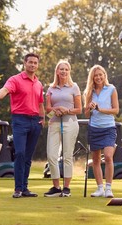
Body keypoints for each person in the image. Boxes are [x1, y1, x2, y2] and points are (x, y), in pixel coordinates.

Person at [0, 53, 45, 198]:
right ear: (25, 63)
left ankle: (25, 188)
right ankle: (18, 189)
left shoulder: (39, 83)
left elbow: (40, 103)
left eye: (35, 63)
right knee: (20, 153)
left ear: (37, 65)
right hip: (20, 120)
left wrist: (43, 118)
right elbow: (5, 90)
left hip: (35, 122)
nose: (33, 65)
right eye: (30, 62)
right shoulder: (15, 80)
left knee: (28, 157)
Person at [44, 60, 82, 197]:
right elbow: (47, 109)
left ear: (69, 71)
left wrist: (67, 110)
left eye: (66, 69)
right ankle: (56, 187)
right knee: (51, 156)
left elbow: (79, 109)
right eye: (61, 69)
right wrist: (56, 109)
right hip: (54, 123)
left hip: (70, 123)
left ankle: (66, 188)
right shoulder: (51, 88)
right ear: (57, 72)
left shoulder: (74, 87)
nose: (64, 71)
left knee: (67, 156)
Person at [83, 65, 119, 198]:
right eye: (96, 75)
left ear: (104, 75)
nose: (98, 77)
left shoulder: (111, 89)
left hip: (109, 128)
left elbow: (115, 110)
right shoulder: (88, 92)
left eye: (100, 74)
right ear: (92, 77)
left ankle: (108, 188)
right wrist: (90, 108)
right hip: (94, 128)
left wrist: (100, 109)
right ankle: (100, 189)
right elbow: (86, 114)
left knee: (108, 157)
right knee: (96, 159)